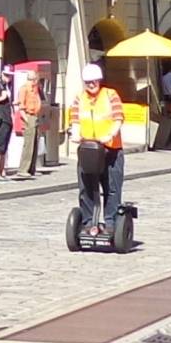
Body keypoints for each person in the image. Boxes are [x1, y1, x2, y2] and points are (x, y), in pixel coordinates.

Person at [65, 63, 125, 229]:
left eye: (94, 81)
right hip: (88, 151)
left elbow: (118, 118)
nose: (92, 84)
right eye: (88, 82)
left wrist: (110, 134)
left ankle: (111, 223)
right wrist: (75, 134)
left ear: (99, 80)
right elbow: (75, 120)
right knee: (86, 188)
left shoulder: (110, 95)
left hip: (110, 150)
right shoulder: (79, 98)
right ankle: (87, 222)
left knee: (111, 188)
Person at [17, 72, 44, 177]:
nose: (36, 81)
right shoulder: (24, 89)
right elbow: (21, 106)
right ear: (33, 79)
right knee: (28, 143)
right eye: (36, 79)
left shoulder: (35, 89)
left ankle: (32, 168)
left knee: (35, 142)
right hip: (28, 116)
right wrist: (26, 119)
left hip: (35, 116)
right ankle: (23, 169)